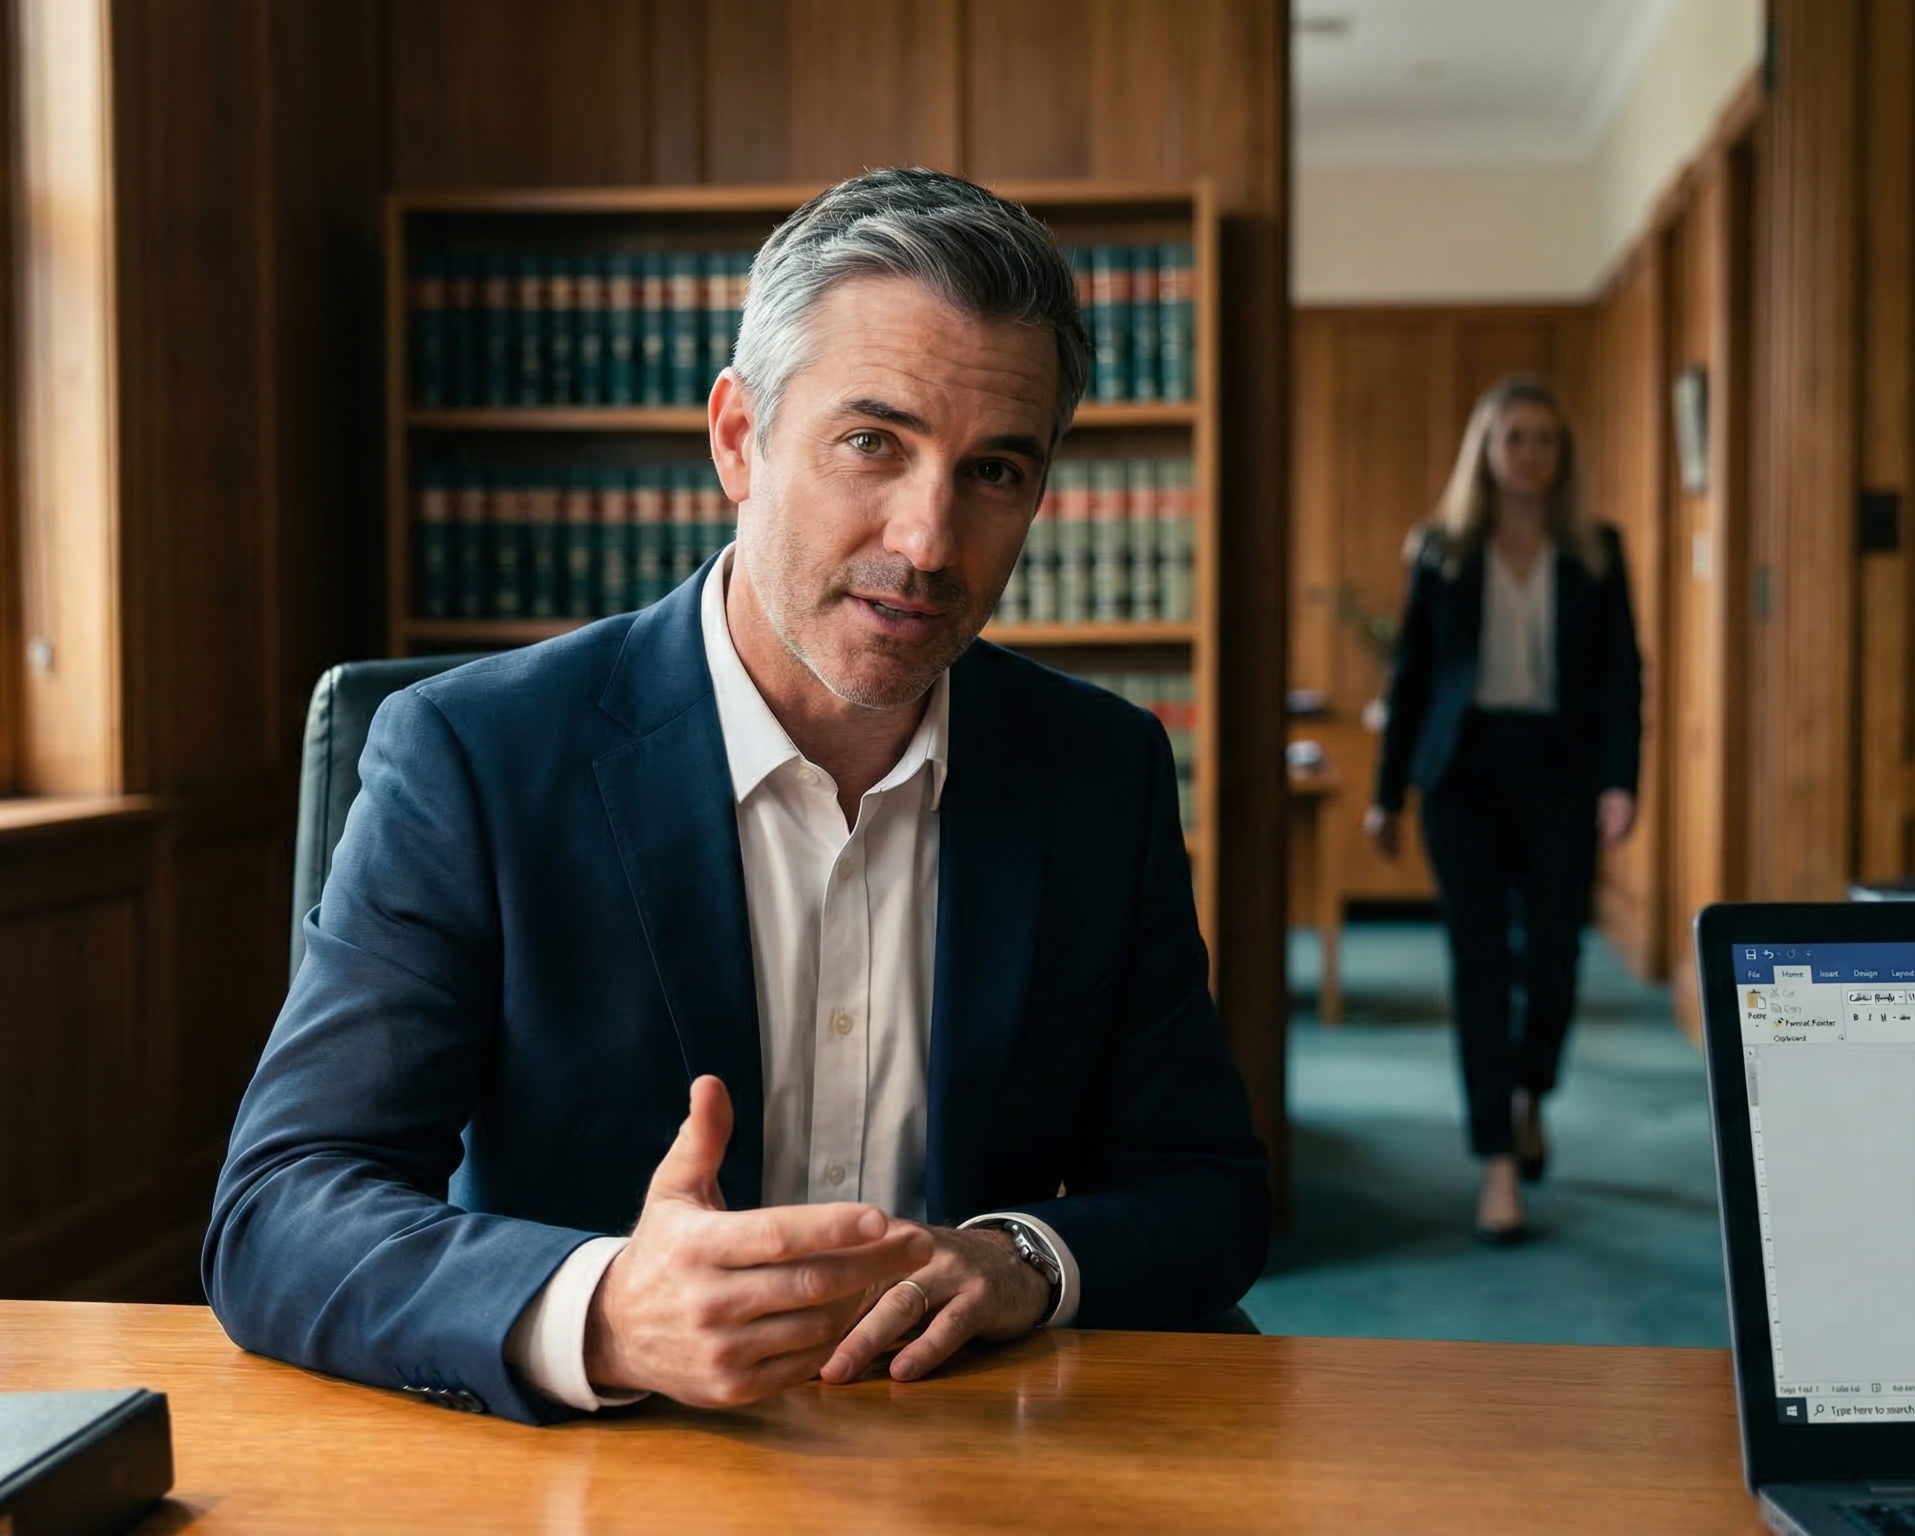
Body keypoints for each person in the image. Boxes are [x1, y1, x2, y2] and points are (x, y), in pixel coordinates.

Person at [204, 169, 1268, 1425]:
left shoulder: (1101, 771)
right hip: (606, 1468)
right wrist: (601, 1308)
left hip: (974, 1457)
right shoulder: (473, 757)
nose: (928, 541)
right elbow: (279, 1207)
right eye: (873, 442)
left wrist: (1023, 1258)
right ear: (736, 439)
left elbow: (1207, 1186)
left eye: (993, 472)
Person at [1359, 376, 1642, 1247]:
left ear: (1563, 457)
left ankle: (1530, 1095)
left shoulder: (1597, 550)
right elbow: (1410, 676)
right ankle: (1496, 1164)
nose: (1529, 453)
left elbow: (1624, 676)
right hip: (1464, 774)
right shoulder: (1443, 550)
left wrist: (1620, 780)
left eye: (1544, 439)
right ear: (1486, 450)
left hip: (1559, 770)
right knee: (1479, 967)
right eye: (1513, 437)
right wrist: (1387, 791)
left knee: (1554, 959)